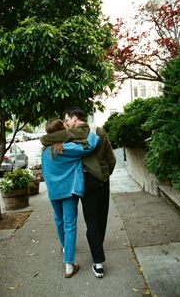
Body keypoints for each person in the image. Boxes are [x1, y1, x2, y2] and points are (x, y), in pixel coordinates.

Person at [41, 107, 116, 278]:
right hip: (86, 185)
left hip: (68, 188)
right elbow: (101, 153)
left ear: (75, 118)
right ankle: (80, 259)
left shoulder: (53, 147)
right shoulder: (74, 143)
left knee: (73, 220)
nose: (67, 123)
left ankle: (80, 254)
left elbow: (46, 169)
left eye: (67, 119)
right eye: (64, 122)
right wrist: (105, 173)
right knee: (89, 220)